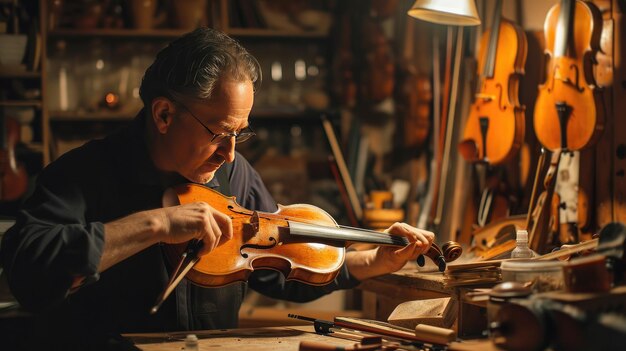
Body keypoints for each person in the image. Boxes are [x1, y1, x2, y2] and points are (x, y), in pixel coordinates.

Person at [0, 27, 435, 350]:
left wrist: (374, 259)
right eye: (218, 133)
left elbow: (284, 264)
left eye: (239, 134)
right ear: (165, 114)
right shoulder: (83, 173)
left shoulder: (235, 175)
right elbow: (28, 270)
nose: (229, 154)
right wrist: (154, 224)